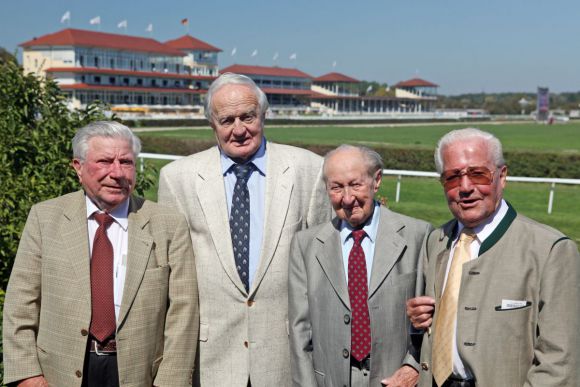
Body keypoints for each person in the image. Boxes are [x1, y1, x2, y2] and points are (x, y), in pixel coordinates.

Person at [157, 73, 331, 387]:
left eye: (248, 116)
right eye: (227, 120)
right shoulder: (177, 178)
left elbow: (324, 272)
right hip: (211, 359)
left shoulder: (309, 169)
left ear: (263, 114)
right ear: (212, 123)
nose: (239, 130)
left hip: (284, 358)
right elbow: (171, 280)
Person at [3, 121, 198, 387]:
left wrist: (170, 381)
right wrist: (28, 375)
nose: (117, 172)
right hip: (59, 373)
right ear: (78, 168)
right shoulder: (45, 217)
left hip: (138, 374)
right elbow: (21, 304)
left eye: (126, 162)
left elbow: (183, 311)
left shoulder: (167, 224)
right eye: (105, 161)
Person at [407, 128, 580, 386]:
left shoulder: (550, 250)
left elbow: (561, 362)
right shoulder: (437, 241)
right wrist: (421, 321)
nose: (465, 187)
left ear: (502, 176)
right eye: (453, 178)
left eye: (478, 174)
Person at [288, 145, 432, 387]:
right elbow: (300, 330)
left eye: (355, 184)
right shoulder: (306, 245)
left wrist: (413, 366)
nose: (347, 198)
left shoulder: (418, 236)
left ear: (376, 181)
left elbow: (433, 320)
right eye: (336, 187)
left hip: (395, 380)